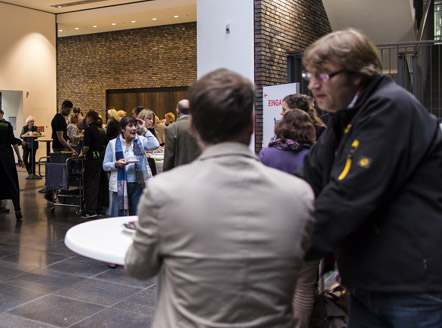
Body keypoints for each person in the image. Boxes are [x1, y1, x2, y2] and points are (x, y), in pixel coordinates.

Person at [297, 29, 442, 326]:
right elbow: (304, 180)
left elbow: (348, 197)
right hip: (372, 285)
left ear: (357, 74)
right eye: (310, 76)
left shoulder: (390, 109)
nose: (314, 85)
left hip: (419, 289)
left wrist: (276, 248)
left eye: (324, 75)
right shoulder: (343, 121)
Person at [125, 69, 314, 327]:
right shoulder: (299, 195)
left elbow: (139, 267)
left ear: (193, 125)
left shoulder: (164, 191)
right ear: (252, 122)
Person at [258, 109, 318, 328]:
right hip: (307, 226)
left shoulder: (267, 154)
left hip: (273, 228)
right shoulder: (316, 155)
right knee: (303, 287)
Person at [102, 115, 159, 216]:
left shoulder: (140, 141)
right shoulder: (112, 144)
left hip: (138, 183)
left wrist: (144, 128)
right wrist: (116, 164)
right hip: (119, 185)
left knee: (136, 216)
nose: (134, 128)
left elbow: (155, 145)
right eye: (130, 126)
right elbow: (105, 165)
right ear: (122, 129)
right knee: (117, 215)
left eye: (135, 126)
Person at [80, 110, 106, 218]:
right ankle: (99, 209)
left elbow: (86, 147)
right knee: (99, 184)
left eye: (86, 118)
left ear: (90, 118)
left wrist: (81, 154)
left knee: (90, 184)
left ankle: (90, 210)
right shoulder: (101, 130)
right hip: (101, 159)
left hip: (91, 160)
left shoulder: (89, 130)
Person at [162, 99, 201, 171]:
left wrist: (166, 174)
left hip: (179, 173)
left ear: (177, 112)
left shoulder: (171, 128)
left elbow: (169, 157)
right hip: (200, 172)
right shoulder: (202, 127)